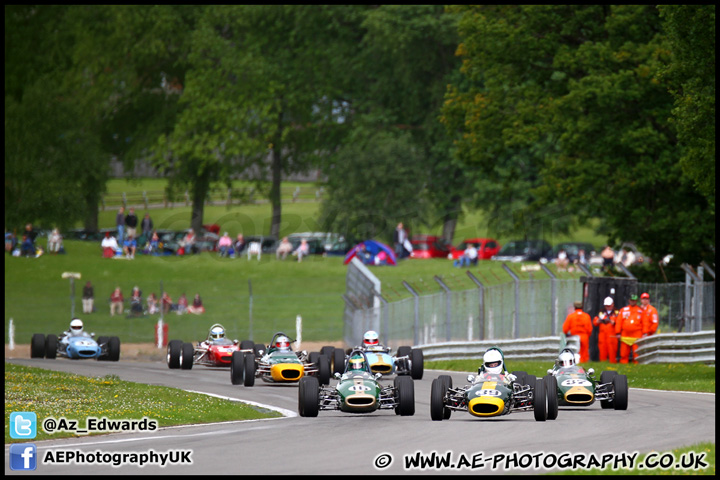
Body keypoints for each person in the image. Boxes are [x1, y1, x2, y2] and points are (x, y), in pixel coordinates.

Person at [615, 294, 643, 364]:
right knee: (623, 352)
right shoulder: (623, 310)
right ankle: (623, 364)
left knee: (637, 352)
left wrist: (644, 333)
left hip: (637, 334)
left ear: (636, 301)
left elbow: (644, 322)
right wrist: (618, 332)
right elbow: (619, 322)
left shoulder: (641, 311)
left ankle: (637, 365)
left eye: (634, 300)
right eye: (631, 300)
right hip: (625, 334)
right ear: (629, 300)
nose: (632, 302)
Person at [593, 296, 619, 363]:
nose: (608, 307)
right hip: (602, 335)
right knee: (602, 351)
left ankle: (613, 364)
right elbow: (595, 321)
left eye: (609, 305)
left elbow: (619, 322)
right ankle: (602, 364)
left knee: (612, 351)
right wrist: (598, 321)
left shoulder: (616, 312)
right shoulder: (601, 312)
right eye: (606, 306)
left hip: (612, 335)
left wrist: (612, 321)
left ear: (612, 304)